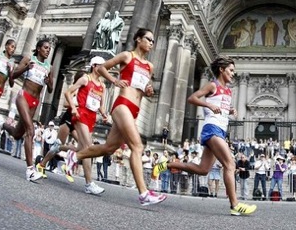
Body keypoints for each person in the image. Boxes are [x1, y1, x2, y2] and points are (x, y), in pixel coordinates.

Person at [64, 28, 166, 206]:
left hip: (135, 108)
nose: (151, 43)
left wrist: (149, 91)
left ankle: (75, 156)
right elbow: (103, 68)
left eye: (153, 41)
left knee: (109, 148)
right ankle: (143, 193)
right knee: (137, 146)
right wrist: (115, 81)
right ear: (138, 39)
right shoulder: (127, 56)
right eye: (148, 39)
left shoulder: (150, 66)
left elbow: (143, 89)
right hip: (122, 104)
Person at [153, 56, 257, 215]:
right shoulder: (212, 85)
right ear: (222, 70)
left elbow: (220, 106)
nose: (233, 74)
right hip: (212, 128)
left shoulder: (228, 91)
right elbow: (192, 98)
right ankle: (235, 205)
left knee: (202, 169)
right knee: (230, 164)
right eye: (231, 70)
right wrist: (208, 103)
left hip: (221, 131)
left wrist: (229, 111)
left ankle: (166, 165)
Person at [0, 39, 54, 182]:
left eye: (49, 48)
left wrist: (49, 83)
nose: (48, 50)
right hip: (23, 96)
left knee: (18, 134)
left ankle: (1, 124)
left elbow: (51, 89)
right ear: (38, 48)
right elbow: (13, 76)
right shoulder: (30, 59)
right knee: (31, 130)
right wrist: (26, 68)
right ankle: (30, 170)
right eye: (46, 48)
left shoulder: (49, 66)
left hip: (35, 102)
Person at [59, 56, 109, 195]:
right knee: (88, 148)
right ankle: (89, 183)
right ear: (94, 66)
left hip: (92, 117)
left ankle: (65, 153)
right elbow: (68, 92)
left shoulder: (103, 86)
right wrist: (74, 108)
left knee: (82, 149)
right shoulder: (85, 79)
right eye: (102, 66)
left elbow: (100, 106)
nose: (104, 69)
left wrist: (105, 115)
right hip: (81, 115)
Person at [36, 71, 85, 181]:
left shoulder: (84, 91)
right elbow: (65, 104)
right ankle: (42, 164)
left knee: (83, 146)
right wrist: (77, 104)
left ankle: (65, 164)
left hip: (76, 121)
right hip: (68, 118)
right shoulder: (74, 88)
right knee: (58, 145)